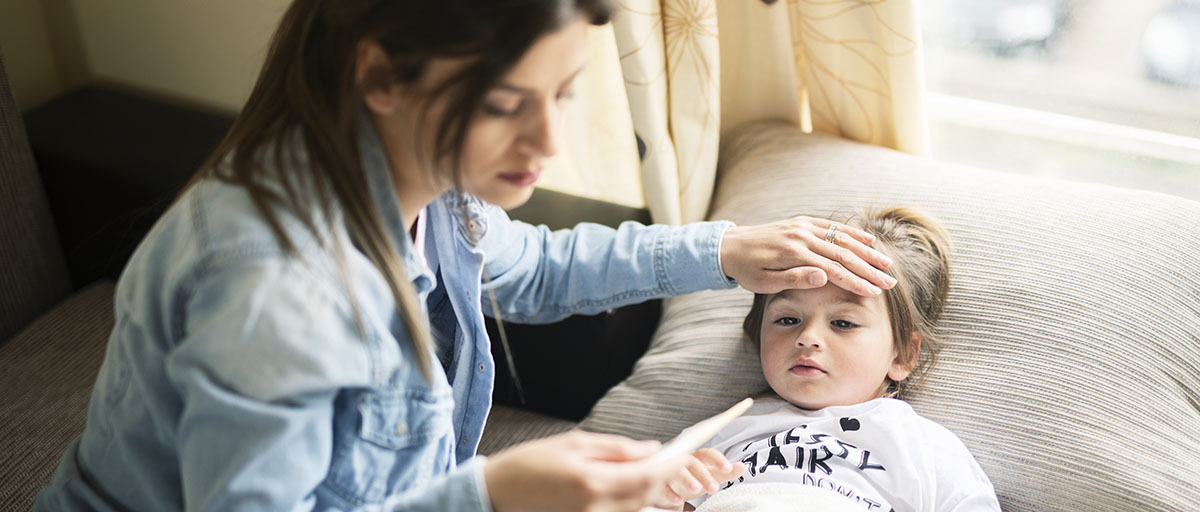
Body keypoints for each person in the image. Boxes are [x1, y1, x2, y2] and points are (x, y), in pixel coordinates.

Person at [34, 1, 898, 510]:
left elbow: (537, 270)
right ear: (380, 77)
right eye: (505, 104)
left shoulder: (429, 186)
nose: (548, 141)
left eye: (563, 95)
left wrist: (727, 250)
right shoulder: (274, 288)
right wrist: (494, 494)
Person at [654, 208, 1001, 512]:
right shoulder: (726, 429)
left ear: (903, 355)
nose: (808, 337)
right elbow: (631, 491)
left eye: (843, 323)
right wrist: (671, 492)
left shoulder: (923, 447)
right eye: (787, 319)